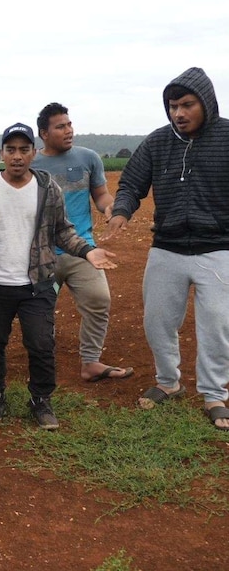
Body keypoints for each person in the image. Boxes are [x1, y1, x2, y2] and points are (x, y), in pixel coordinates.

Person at [0, 123, 117, 430]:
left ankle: (41, 399)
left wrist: (87, 251)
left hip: (36, 282)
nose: (17, 156)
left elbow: (62, 230)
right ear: (0, 153)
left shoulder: (46, 187)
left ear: (33, 153)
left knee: (41, 343)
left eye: (24, 150)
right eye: (10, 150)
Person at [103, 67, 229, 431]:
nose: (179, 113)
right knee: (157, 320)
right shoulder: (158, 142)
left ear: (205, 103)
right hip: (167, 248)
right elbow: (131, 183)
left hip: (218, 249)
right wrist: (122, 211)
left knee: (217, 325)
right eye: (173, 106)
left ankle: (214, 393)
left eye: (187, 105)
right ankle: (168, 382)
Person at [33, 104, 134, 383]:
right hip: (41, 254)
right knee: (39, 310)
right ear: (44, 133)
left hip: (83, 250)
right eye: (60, 126)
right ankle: (42, 362)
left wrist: (110, 208)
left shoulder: (88, 158)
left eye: (69, 124)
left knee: (99, 300)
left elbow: (100, 194)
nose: (69, 130)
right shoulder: (30, 164)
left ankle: (90, 362)